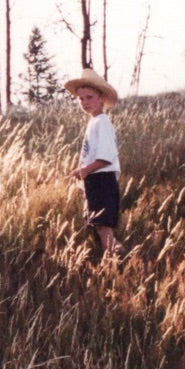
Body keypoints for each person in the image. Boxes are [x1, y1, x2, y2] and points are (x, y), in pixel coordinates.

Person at [64, 67, 126, 256]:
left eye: (89, 97)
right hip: (94, 179)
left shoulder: (102, 122)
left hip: (102, 180)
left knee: (103, 227)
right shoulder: (94, 122)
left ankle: (120, 259)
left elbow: (106, 157)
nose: (85, 102)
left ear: (102, 98)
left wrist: (86, 170)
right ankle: (116, 259)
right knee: (98, 226)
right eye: (81, 99)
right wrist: (82, 170)